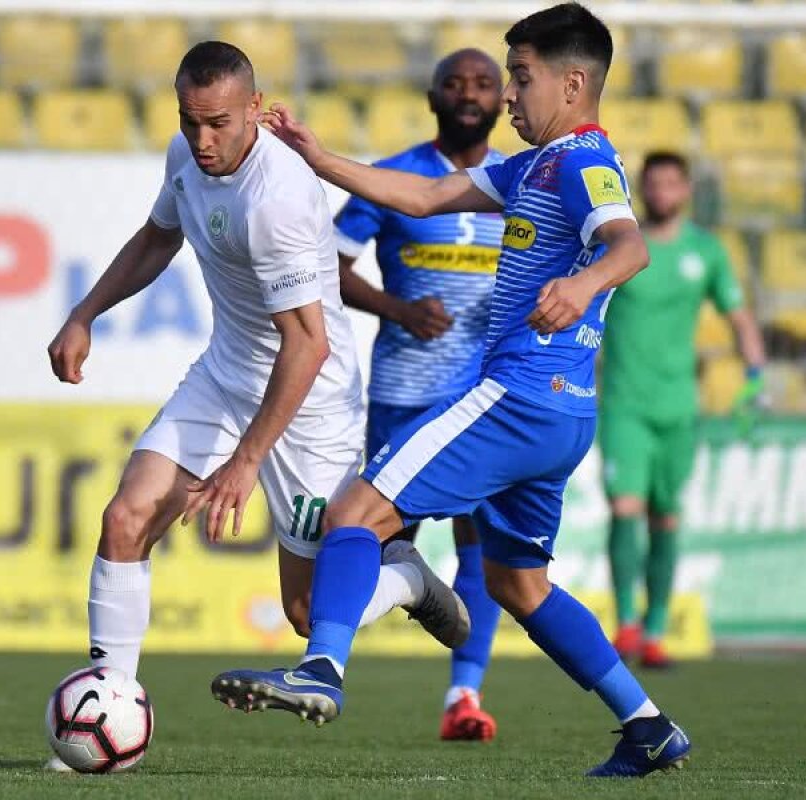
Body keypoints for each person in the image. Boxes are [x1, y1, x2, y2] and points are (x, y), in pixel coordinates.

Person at [212, 4, 693, 778]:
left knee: (354, 512)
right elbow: (424, 197)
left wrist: (581, 286)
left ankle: (321, 668)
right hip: (563, 413)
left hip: (520, 397)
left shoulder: (581, 162)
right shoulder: (534, 166)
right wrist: (320, 157)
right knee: (517, 584)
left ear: (573, 84)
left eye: (522, 78)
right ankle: (648, 726)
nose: (510, 95)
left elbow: (629, 245)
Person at [45, 41, 465, 769]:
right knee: (126, 518)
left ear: (255, 109)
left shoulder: (278, 199)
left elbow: (308, 345)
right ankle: (110, 702)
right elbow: (157, 238)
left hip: (310, 405)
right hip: (226, 376)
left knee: (306, 613)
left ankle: (405, 579)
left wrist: (245, 462)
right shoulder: (187, 157)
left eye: (219, 123)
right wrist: (85, 313)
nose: (203, 139)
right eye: (190, 121)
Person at [333, 47, 506, 742]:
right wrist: (398, 309)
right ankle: (329, 667)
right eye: (454, 83)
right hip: (404, 391)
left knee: (481, 542)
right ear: (433, 98)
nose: (469, 94)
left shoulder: (519, 180)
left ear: (502, 100)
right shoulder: (396, 176)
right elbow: (329, 264)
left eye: (484, 83)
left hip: (484, 397)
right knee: (379, 542)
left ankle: (464, 695)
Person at [601, 151, 766, 669]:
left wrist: (756, 375)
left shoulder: (706, 251)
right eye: (653, 184)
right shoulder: (623, 245)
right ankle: (626, 625)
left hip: (678, 407)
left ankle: (655, 631)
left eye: (672, 183)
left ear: (687, 189)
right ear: (642, 189)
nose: (662, 192)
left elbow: (738, 315)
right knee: (624, 507)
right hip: (624, 402)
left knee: (666, 516)